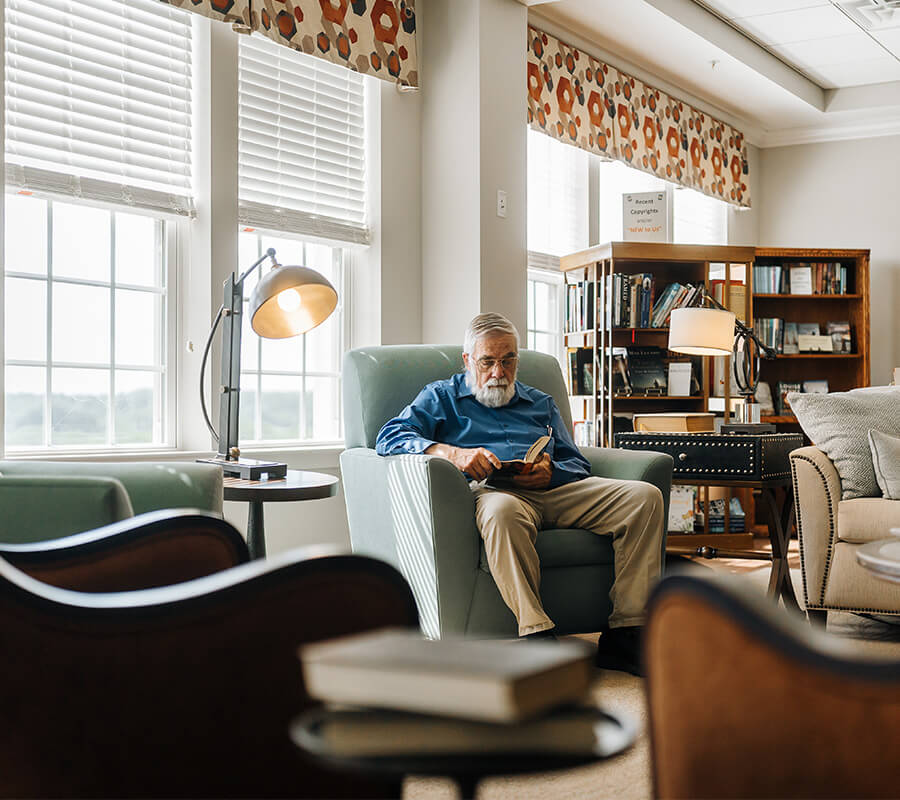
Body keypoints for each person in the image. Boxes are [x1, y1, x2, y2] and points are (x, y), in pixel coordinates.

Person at [375, 312, 665, 674]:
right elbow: (389, 437)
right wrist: (453, 453)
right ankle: (537, 634)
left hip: (554, 491)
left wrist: (551, 471)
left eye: (508, 360)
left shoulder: (539, 401)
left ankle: (627, 633)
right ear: (468, 360)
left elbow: (575, 461)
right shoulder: (441, 396)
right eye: (488, 362)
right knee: (502, 514)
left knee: (644, 498)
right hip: (494, 492)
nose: (499, 372)